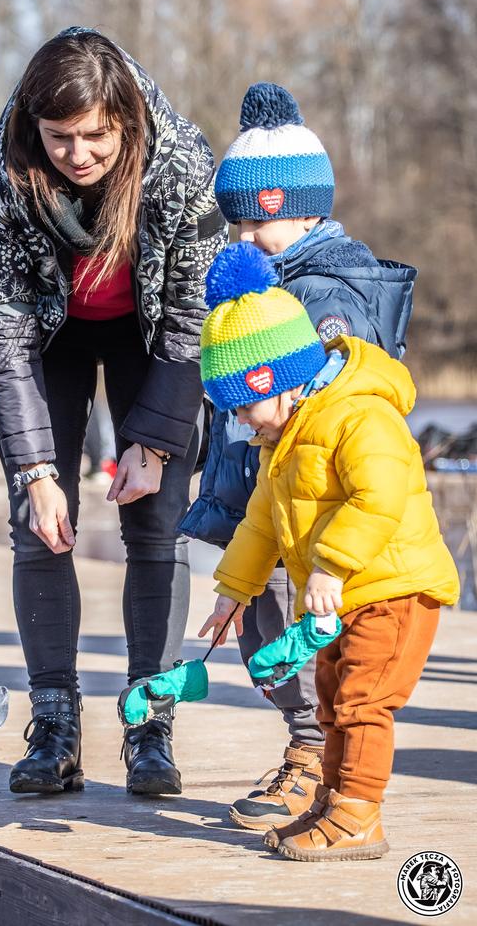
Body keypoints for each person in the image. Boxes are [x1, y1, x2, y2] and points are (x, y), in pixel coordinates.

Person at [0, 27, 227, 795]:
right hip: (45, 340)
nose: (79, 153)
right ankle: (54, 724)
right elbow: (0, 327)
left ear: (124, 120)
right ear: (35, 125)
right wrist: (33, 471)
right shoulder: (3, 178)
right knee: (41, 527)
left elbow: (196, 312)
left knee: (156, 525)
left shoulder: (184, 166)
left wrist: (157, 442)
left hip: (151, 334)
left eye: (96, 135)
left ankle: (150, 724)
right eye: (60, 137)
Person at [180, 82, 416, 832]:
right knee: (258, 631)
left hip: (315, 510)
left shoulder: (330, 293)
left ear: (304, 210)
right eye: (236, 223)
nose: (242, 238)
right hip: (261, 499)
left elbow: (337, 418)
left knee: (312, 646)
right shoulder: (267, 283)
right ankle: (304, 745)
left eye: (258, 222)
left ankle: (316, 758)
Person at [197, 242, 459, 860]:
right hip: (345, 597)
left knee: (364, 703)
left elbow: (380, 494)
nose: (242, 423)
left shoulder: (360, 416)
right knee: (333, 699)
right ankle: (333, 803)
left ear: (276, 381)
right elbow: (262, 520)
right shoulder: (283, 438)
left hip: (393, 591)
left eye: (242, 406)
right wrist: (234, 590)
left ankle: (360, 814)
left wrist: (331, 565)